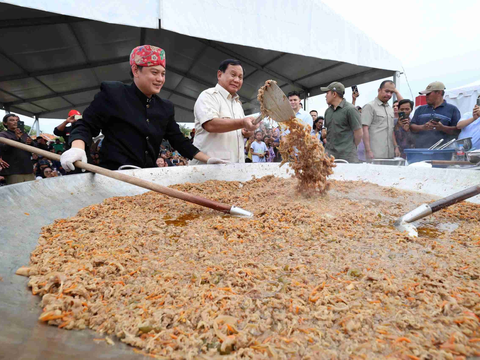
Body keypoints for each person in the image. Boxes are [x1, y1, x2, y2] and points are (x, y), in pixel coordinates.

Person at [60, 45, 224, 171]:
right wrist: (77, 148)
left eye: (163, 73)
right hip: (114, 175)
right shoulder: (113, 94)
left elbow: (179, 141)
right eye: (154, 72)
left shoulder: (164, 107)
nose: (160, 79)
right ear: (135, 70)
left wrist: (207, 159)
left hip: (146, 175)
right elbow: (86, 125)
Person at [191, 59, 259, 164]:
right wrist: (242, 122)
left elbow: (239, 130)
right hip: (209, 169)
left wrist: (247, 131)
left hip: (235, 167)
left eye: (240, 77)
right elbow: (210, 124)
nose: (237, 80)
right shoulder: (208, 96)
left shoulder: (237, 103)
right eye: (233, 75)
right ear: (219, 75)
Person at [410, 81, 461, 149]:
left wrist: (442, 128)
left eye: (428, 94)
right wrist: (423, 127)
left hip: (444, 152)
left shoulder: (452, 109)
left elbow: (458, 131)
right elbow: (411, 127)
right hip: (421, 151)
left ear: (439, 93)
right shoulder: (420, 109)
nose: (426, 96)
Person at [321, 82, 362, 163]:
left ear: (334, 94)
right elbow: (326, 132)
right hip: (329, 157)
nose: (325, 96)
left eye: (327, 93)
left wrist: (349, 148)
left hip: (347, 158)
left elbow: (359, 134)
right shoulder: (327, 112)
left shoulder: (350, 109)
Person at [361, 80, 403, 160]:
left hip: (389, 154)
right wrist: (368, 150)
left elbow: (391, 130)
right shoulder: (370, 107)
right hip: (375, 154)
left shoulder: (390, 109)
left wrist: (396, 147)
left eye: (391, 92)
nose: (389, 94)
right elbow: (364, 130)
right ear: (379, 90)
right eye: (386, 91)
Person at [0, 114, 36, 184]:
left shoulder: (24, 134)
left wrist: (31, 142)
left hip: (28, 169)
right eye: (12, 120)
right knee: (17, 193)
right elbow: (3, 148)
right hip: (14, 171)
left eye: (17, 120)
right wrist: (16, 138)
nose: (15, 122)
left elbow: (35, 146)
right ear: (5, 123)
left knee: (31, 192)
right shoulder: (3, 134)